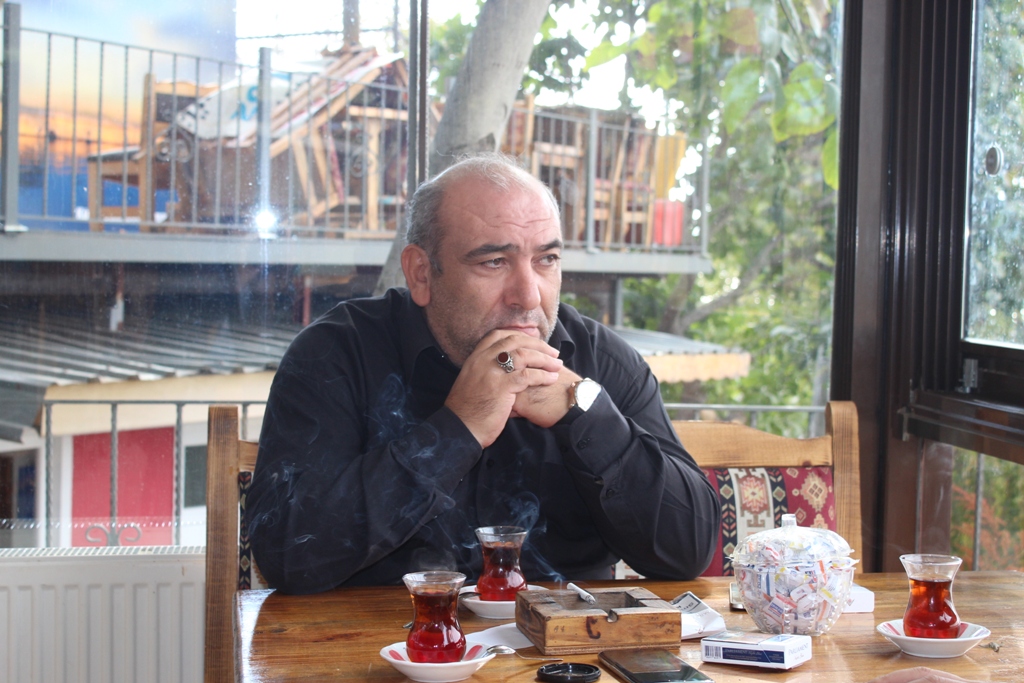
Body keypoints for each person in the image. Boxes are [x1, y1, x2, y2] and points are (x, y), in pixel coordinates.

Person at [246, 153, 720, 594]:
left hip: (567, 644)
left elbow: (688, 552)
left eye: (546, 260)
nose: (528, 296)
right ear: (421, 273)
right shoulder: (338, 354)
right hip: (380, 644)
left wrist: (583, 411)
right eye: (494, 262)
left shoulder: (602, 362)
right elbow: (287, 555)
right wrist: (458, 429)